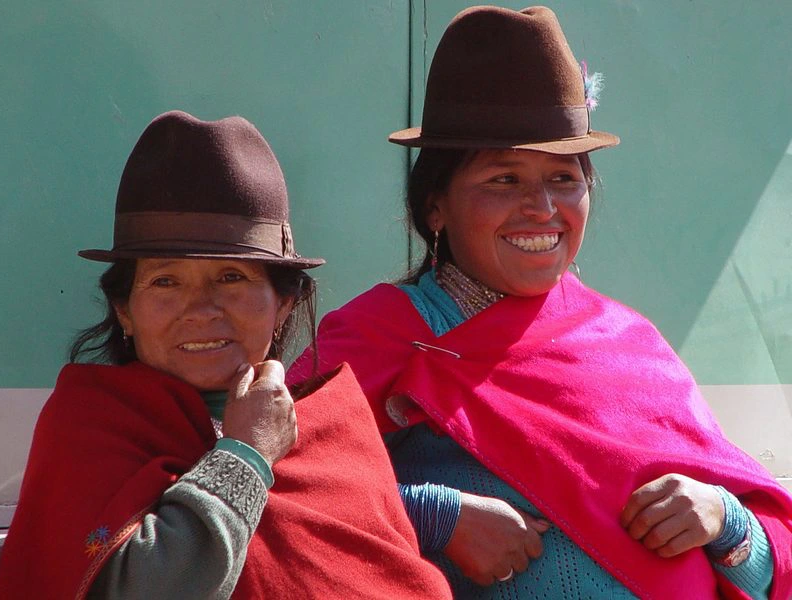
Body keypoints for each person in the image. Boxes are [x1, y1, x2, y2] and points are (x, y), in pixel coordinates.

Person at [288, 6, 792, 599]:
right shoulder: (380, 338)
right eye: (504, 180)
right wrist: (433, 517)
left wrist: (725, 521)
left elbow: (768, 561)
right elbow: (271, 497)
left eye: (563, 178)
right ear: (435, 207)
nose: (542, 209)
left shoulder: (631, 343)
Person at [0, 111, 451, 599]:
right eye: (166, 281)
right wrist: (246, 455)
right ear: (125, 310)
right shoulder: (87, 430)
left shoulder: (335, 433)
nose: (200, 310)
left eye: (232, 277)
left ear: (284, 303)